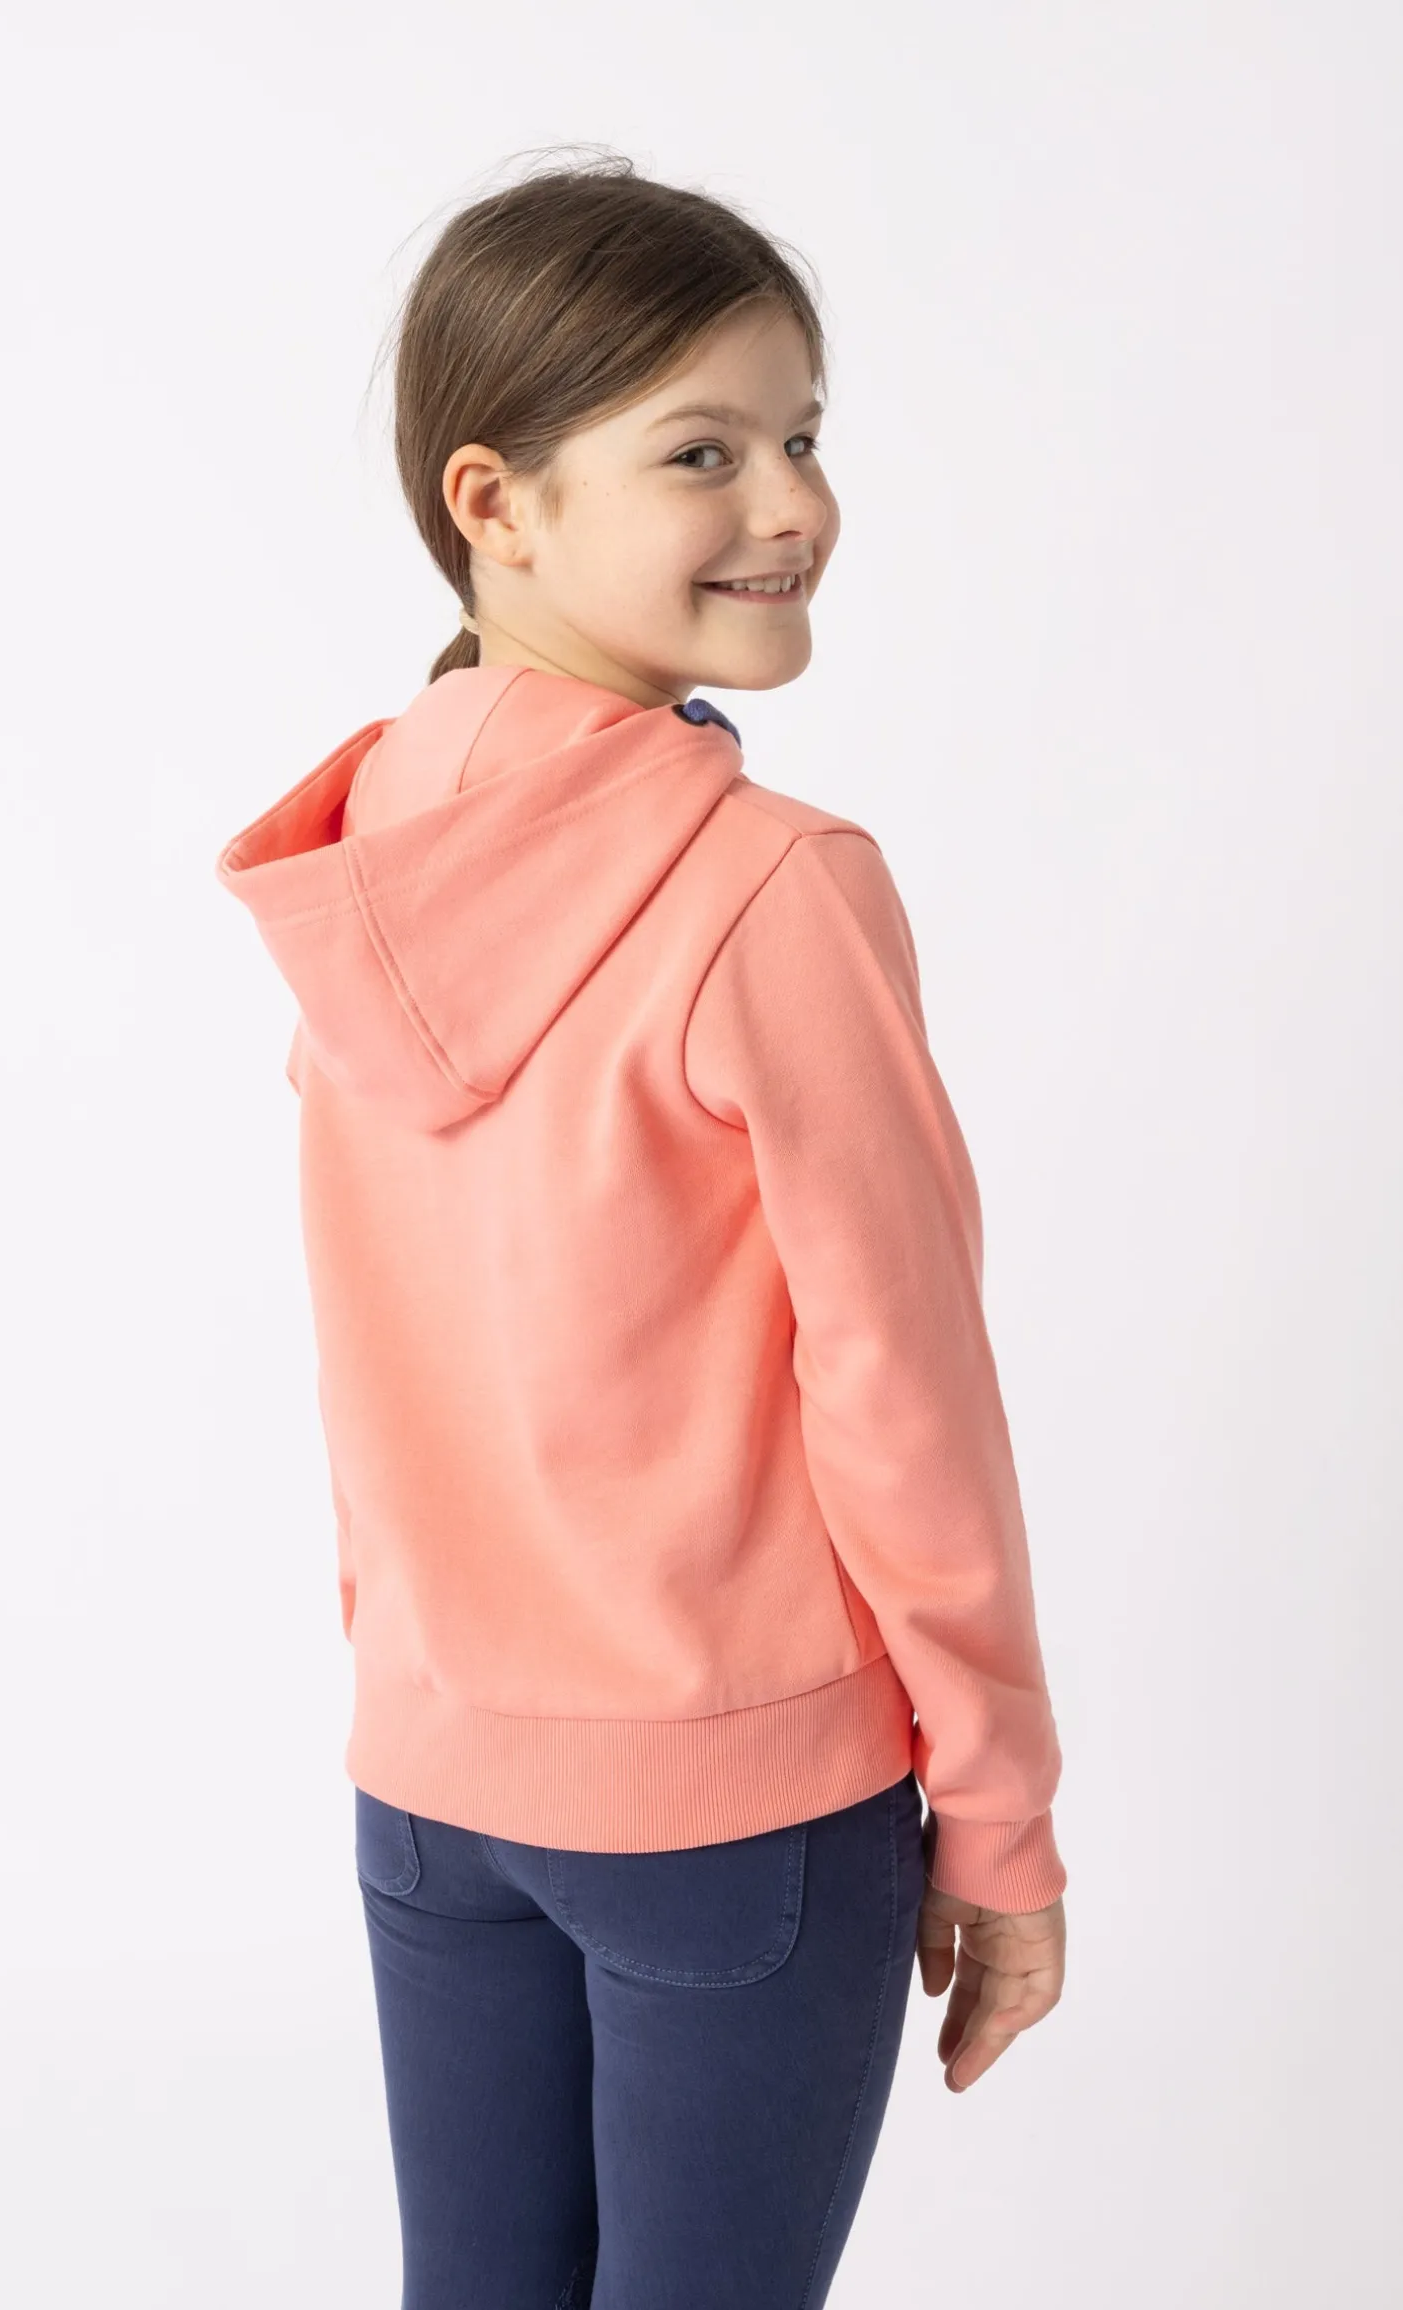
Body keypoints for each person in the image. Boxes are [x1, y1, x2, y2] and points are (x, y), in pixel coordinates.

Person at [216, 151, 1068, 2310]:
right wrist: (996, 1811)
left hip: (429, 1779)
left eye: (803, 435)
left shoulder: (367, 856)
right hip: (733, 1806)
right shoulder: (769, 884)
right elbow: (901, 1393)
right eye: (704, 451)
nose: (795, 504)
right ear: (492, 502)